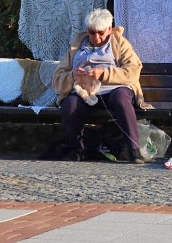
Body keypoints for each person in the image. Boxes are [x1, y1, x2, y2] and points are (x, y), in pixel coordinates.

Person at [53, 8, 147, 163]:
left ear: (109, 29)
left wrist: (104, 73)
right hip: (84, 91)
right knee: (70, 104)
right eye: (91, 32)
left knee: (121, 99)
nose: (96, 37)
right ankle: (78, 150)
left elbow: (133, 71)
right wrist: (72, 76)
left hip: (114, 88)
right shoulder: (76, 46)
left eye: (101, 33)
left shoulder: (120, 44)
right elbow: (57, 78)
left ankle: (134, 150)